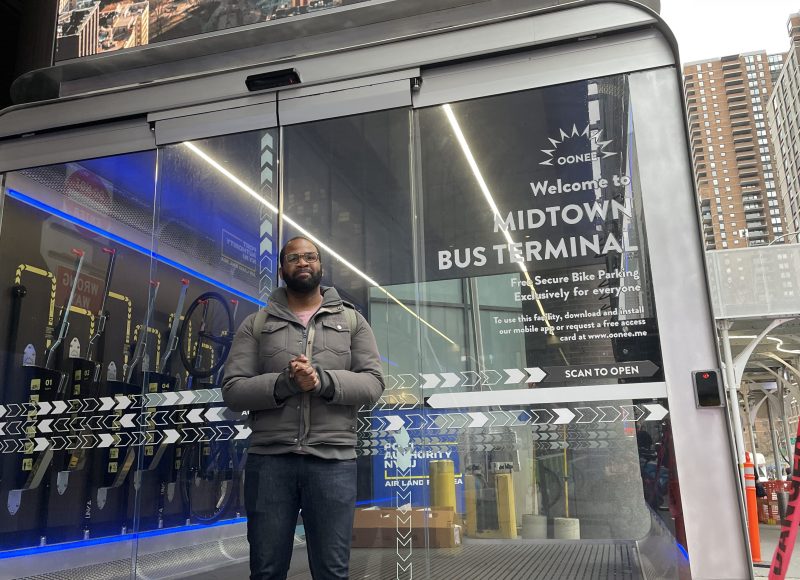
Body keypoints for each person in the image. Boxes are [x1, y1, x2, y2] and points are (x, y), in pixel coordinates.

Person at [222, 236, 385, 580]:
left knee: (332, 572)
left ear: (320, 265)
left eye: (310, 256)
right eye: (294, 258)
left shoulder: (352, 322)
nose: (303, 263)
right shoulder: (257, 324)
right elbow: (234, 391)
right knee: (266, 571)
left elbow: (372, 384)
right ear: (282, 269)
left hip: (333, 462)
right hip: (270, 463)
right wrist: (285, 383)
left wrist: (321, 381)